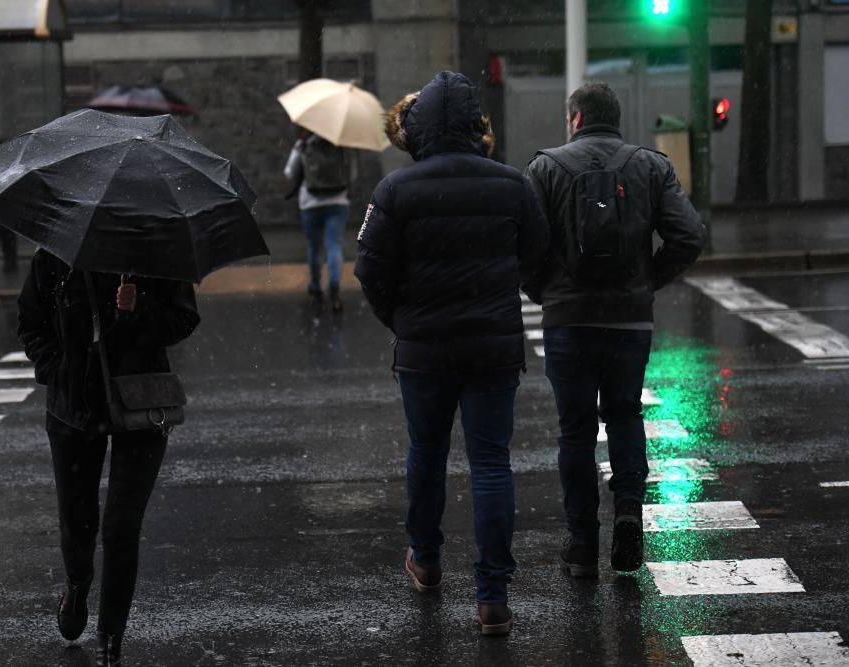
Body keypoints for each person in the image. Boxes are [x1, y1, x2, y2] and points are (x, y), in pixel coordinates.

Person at [354, 71, 549, 635]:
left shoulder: (396, 190)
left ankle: (427, 558)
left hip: (425, 351)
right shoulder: (512, 185)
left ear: (415, 130)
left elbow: (370, 269)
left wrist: (402, 319)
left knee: (427, 453)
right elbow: (539, 259)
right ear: (475, 126)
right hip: (492, 347)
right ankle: (492, 596)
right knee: (490, 463)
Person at [523, 82, 706, 578]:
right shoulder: (650, 166)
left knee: (575, 430)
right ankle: (628, 509)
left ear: (576, 119)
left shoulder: (545, 168)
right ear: (615, 117)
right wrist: (647, 280)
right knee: (624, 414)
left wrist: (546, 290)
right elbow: (689, 235)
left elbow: (523, 244)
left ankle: (582, 545)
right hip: (629, 317)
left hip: (568, 319)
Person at [17, 249, 200, 665]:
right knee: (78, 523)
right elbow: (30, 322)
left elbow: (184, 318)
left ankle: (110, 640)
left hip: (140, 406)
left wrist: (140, 309)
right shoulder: (55, 255)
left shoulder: (154, 251)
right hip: (73, 410)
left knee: (120, 527)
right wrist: (57, 369)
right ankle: (78, 583)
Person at [284, 130, 351, 312]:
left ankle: (316, 290)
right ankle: (335, 290)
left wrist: (300, 149)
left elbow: (290, 172)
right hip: (338, 202)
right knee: (334, 246)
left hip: (310, 203)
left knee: (314, 248)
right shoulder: (339, 143)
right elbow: (351, 175)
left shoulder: (304, 144)